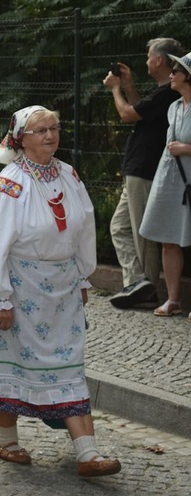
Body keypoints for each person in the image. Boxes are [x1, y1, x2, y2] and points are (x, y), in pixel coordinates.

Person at [0, 105, 121, 477]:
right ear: (21, 139)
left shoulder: (68, 174)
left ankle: (88, 453)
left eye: (54, 128)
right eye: (40, 131)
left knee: (69, 365)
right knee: (10, 364)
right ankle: (5, 438)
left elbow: (83, 225)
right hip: (19, 285)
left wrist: (82, 277)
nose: (50, 135)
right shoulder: (10, 182)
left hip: (62, 287)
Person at [103, 38, 183, 309]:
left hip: (146, 168)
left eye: (149, 56)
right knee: (119, 227)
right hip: (138, 167)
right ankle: (138, 282)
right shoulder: (163, 91)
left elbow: (127, 114)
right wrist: (128, 85)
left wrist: (115, 90)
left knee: (141, 233)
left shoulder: (168, 93)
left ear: (160, 59)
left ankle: (144, 286)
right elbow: (140, 112)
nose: (147, 61)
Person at [140, 52, 191, 318]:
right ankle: (173, 300)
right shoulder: (173, 107)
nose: (171, 74)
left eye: (177, 70)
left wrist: (187, 148)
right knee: (169, 241)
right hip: (170, 181)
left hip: (189, 182)